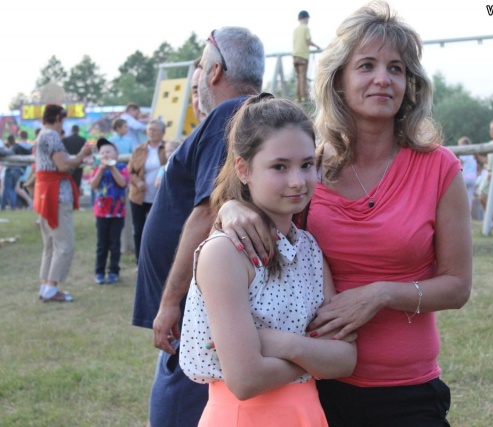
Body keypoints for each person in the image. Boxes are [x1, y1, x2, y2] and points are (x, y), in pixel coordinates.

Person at [217, 3, 472, 425]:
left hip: (407, 391)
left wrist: (381, 294)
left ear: (409, 83)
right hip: (313, 385)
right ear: (338, 79)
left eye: (395, 68)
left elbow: (458, 287)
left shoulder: (438, 167)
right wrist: (231, 208)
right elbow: (255, 202)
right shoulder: (309, 168)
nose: (382, 79)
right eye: (366, 65)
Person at [180, 94, 356, 426]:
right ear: (243, 169)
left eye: (306, 165)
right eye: (279, 167)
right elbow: (246, 380)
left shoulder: (308, 248)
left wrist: (281, 343)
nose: (297, 181)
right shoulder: (225, 252)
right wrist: (314, 357)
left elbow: (345, 359)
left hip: (306, 413)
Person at [132, 26, 265, 427]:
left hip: (197, 310)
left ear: (215, 71)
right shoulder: (258, 114)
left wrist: (171, 301)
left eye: (202, 70)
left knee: (174, 412)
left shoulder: (231, 113)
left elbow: (209, 210)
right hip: (207, 306)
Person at [33, 103, 95, 302]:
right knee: (64, 244)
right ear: (59, 118)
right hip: (57, 195)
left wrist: (77, 159)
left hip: (46, 192)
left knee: (50, 245)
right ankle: (51, 289)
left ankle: (46, 287)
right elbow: (63, 165)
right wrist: (83, 155)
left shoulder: (42, 135)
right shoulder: (52, 136)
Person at [89, 137, 129, 285]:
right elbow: (93, 185)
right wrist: (101, 169)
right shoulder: (97, 168)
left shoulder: (121, 168)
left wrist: (112, 168)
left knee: (115, 244)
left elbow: (123, 183)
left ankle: (114, 271)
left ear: (116, 154)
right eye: (102, 152)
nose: (105, 155)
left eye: (108, 152)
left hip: (117, 213)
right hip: (101, 213)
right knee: (102, 245)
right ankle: (99, 272)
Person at [127, 119, 167, 262]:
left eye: (155, 129)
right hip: (139, 196)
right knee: (139, 229)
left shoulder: (167, 149)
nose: (151, 132)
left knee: (157, 229)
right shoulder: (139, 149)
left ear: (163, 132)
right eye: (149, 129)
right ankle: (140, 261)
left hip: (159, 197)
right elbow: (130, 171)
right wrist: (138, 181)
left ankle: (155, 260)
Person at [293, 10, 321, 102]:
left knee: (298, 77)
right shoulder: (306, 28)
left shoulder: (296, 29)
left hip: (295, 55)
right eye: (308, 19)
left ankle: (298, 97)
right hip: (303, 55)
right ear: (305, 19)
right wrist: (317, 46)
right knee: (302, 76)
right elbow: (308, 41)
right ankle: (303, 96)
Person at [61, 124, 87, 192]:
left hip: (69, 164)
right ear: (78, 130)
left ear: (72, 130)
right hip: (79, 164)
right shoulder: (83, 140)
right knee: (77, 183)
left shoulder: (65, 140)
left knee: (69, 182)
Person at [457, 136, 477, 208]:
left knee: (459, 196)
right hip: (473, 178)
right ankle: (468, 212)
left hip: (465, 177)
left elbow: (460, 163)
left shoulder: (464, 153)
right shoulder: (472, 155)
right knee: (469, 197)